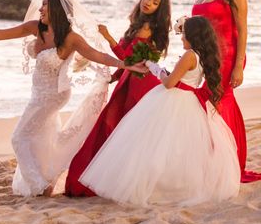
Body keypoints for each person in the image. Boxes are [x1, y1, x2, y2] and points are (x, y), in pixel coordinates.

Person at [0, 0, 146, 197]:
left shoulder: (71, 38)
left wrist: (125, 64)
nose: (40, 9)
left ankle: (39, 187)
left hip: (53, 95)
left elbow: (97, 55)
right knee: (42, 138)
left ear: (57, 10)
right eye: (41, 5)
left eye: (45, 6)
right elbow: (2, 33)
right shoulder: (36, 28)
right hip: (37, 93)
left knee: (18, 138)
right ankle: (48, 178)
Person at [79, 16, 240, 206]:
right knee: (179, 147)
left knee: (156, 143)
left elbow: (170, 82)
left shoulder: (189, 55)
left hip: (174, 99)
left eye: (184, 35)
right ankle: (179, 185)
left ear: (193, 36)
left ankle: (158, 188)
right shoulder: (202, 56)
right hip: (189, 103)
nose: (181, 38)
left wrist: (155, 68)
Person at [65, 0, 171, 197]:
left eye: (155, 2)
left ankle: (110, 182)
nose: (148, 2)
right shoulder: (138, 24)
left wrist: (108, 37)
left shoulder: (148, 28)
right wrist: (113, 76)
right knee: (116, 130)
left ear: (160, 8)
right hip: (128, 80)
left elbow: (129, 59)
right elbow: (127, 62)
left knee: (116, 129)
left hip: (139, 85)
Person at [191, 0, 261, 182]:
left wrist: (239, 64)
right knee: (209, 107)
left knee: (221, 104)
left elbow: (243, 29)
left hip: (227, 57)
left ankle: (232, 164)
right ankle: (216, 160)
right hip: (205, 59)